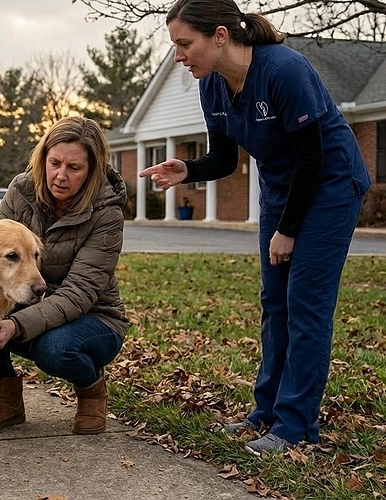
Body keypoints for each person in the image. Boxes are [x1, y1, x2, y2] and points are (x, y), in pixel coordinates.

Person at [140, 0, 372, 456]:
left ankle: (295, 427)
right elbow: (225, 159)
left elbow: (312, 157)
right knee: (274, 301)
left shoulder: (284, 70)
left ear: (220, 36)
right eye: (175, 46)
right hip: (282, 189)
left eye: (184, 44)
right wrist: (188, 169)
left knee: (305, 303)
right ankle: (266, 412)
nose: (178, 56)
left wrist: (288, 229)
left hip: (329, 185)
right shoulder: (212, 85)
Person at [0, 116, 130, 435]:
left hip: (94, 317)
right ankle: (6, 401)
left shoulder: (107, 212)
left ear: (92, 170)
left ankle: (92, 392)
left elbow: (80, 293)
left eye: (74, 168)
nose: (60, 175)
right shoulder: (21, 190)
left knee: (52, 348)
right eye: (54, 163)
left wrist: (15, 325)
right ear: (43, 158)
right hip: (29, 302)